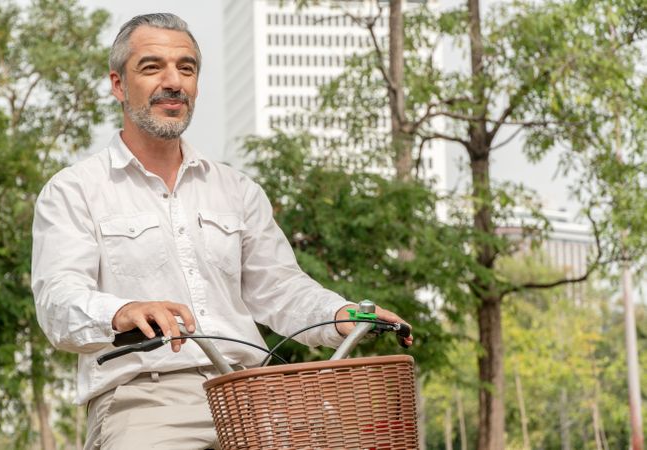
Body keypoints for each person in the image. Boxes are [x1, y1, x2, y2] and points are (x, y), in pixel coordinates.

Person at [31, 13, 412, 450]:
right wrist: (122, 311)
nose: (173, 81)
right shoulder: (74, 190)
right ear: (118, 84)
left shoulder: (238, 190)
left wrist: (341, 313)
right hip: (146, 402)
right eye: (152, 67)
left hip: (255, 397)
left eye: (186, 68)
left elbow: (281, 289)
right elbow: (58, 301)